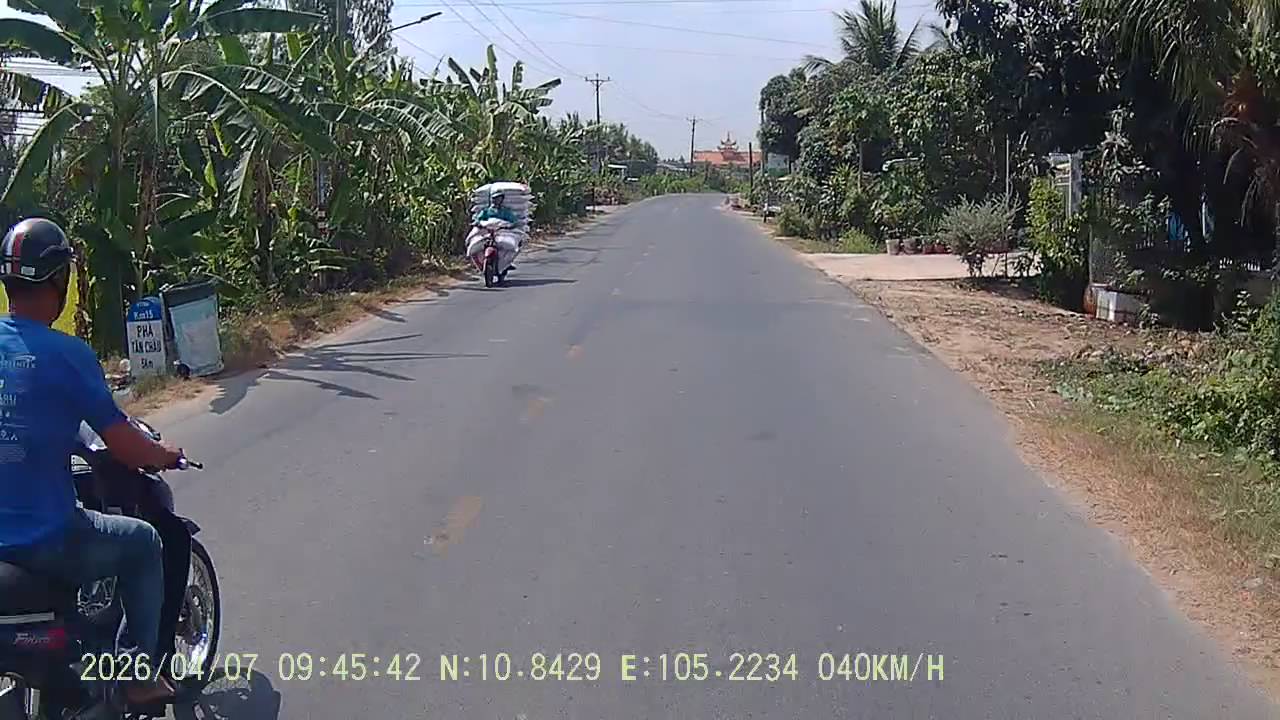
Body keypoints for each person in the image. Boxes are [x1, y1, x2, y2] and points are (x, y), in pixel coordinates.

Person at [0, 217, 183, 705]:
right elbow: (122, 444)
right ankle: (138, 676)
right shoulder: (68, 355)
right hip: (44, 541)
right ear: (59, 281)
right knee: (142, 542)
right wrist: (164, 455)